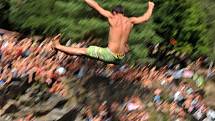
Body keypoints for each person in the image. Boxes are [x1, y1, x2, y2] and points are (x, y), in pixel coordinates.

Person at [53, 0, 155, 64]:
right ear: (123, 13)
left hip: (109, 54)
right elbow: (145, 18)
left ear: (114, 12)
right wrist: (150, 6)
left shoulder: (112, 17)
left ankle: (58, 46)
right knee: (87, 53)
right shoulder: (130, 21)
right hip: (121, 58)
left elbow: (96, 6)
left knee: (82, 51)